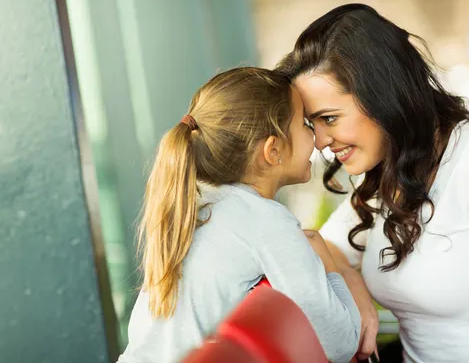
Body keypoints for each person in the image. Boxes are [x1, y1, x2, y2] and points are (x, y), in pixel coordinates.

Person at [277, 4, 469, 362]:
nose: (321, 141)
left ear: (382, 96)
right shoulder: (391, 169)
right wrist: (353, 286)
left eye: (330, 119)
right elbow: (326, 246)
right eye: (313, 124)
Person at [117, 67, 360, 363]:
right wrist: (329, 266)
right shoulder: (264, 220)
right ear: (273, 150)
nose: (318, 138)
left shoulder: (194, 202)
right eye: (306, 125)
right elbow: (341, 343)